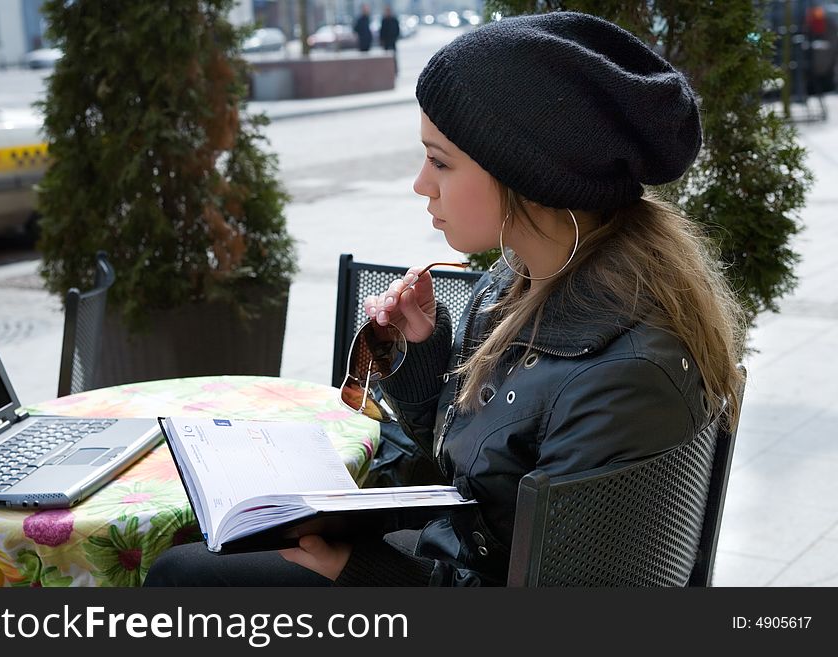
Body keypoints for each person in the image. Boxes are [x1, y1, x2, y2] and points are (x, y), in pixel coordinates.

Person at [145, 12, 746, 587]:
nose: (420, 184)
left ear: (530, 179)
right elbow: (465, 478)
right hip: (448, 560)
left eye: (440, 161)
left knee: (182, 574)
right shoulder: (518, 283)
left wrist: (352, 571)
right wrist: (423, 351)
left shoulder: (622, 378)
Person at [380, 4, 401, 72]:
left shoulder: (394, 19)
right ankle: (387, 69)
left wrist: (395, 37)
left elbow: (397, 29)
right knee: (386, 57)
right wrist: (381, 40)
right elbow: (382, 30)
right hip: (386, 42)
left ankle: (395, 70)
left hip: (392, 41)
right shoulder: (384, 20)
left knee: (394, 57)